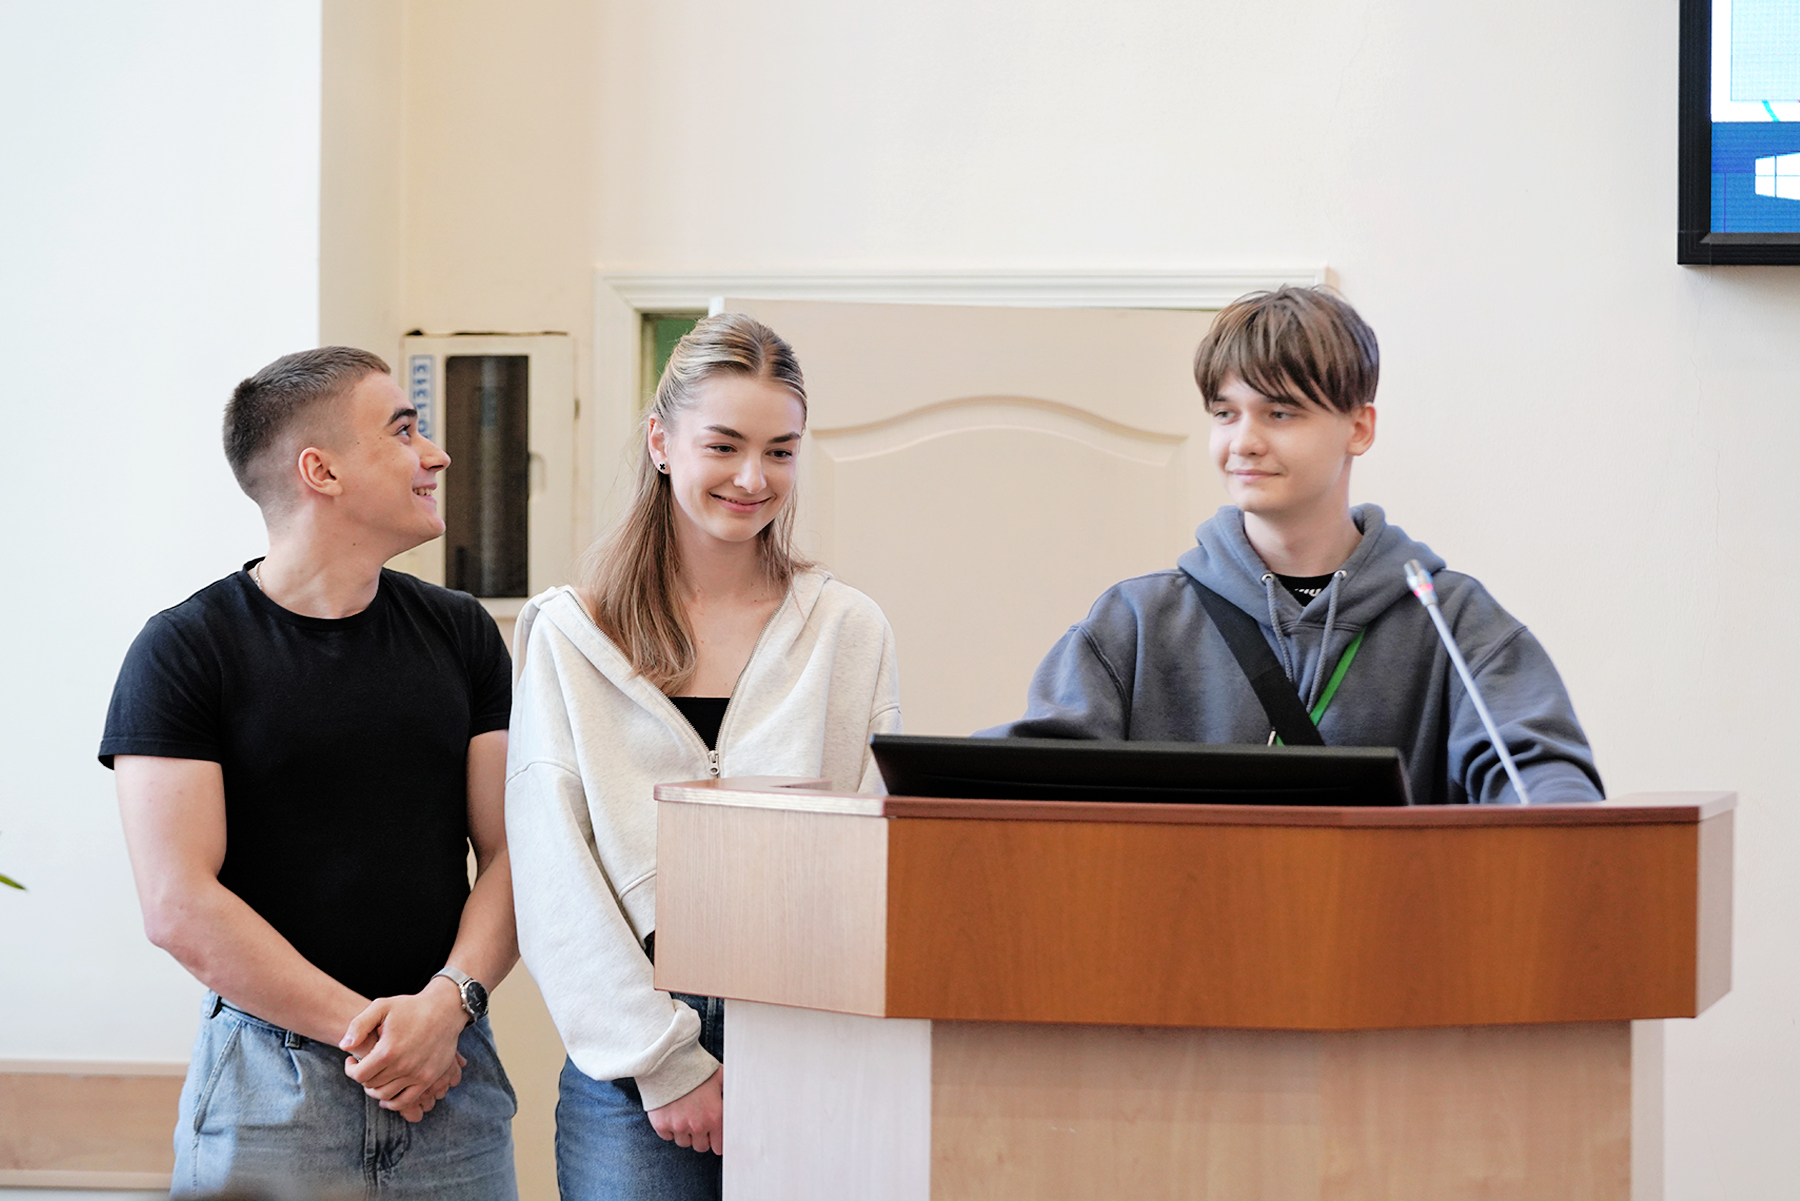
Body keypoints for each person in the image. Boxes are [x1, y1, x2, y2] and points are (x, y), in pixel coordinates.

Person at [100, 347, 521, 1197]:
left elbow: (516, 853)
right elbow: (178, 903)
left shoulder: (464, 633)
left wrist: (445, 1008)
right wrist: (381, 1038)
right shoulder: (183, 650)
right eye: (404, 431)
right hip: (271, 1088)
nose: (437, 454)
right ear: (319, 470)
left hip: (451, 1070)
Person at [506, 313, 901, 1200]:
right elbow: (552, 870)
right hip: (631, 1062)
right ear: (661, 442)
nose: (753, 478)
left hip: (807, 1038)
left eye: (781, 451)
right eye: (723, 445)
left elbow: (870, 853)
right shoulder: (570, 633)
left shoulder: (847, 628)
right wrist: (664, 1061)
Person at [984, 286, 1603, 806]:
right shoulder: (1135, 622)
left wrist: (1558, 819)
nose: (1243, 442)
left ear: (1358, 428)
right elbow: (1027, 780)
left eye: (1279, 413)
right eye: (1225, 414)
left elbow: (1539, 776)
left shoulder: (1455, 621)